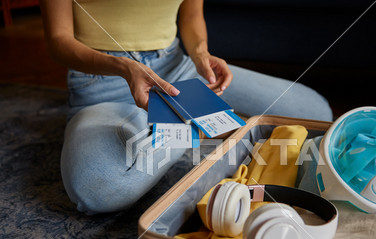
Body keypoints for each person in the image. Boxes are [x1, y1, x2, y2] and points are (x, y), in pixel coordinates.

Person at [40, 0, 332, 214]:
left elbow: (191, 15)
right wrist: (124, 67)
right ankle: (189, 129)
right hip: (104, 83)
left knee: (315, 114)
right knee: (97, 190)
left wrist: (201, 53)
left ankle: (175, 125)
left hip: (177, 69)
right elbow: (58, 40)